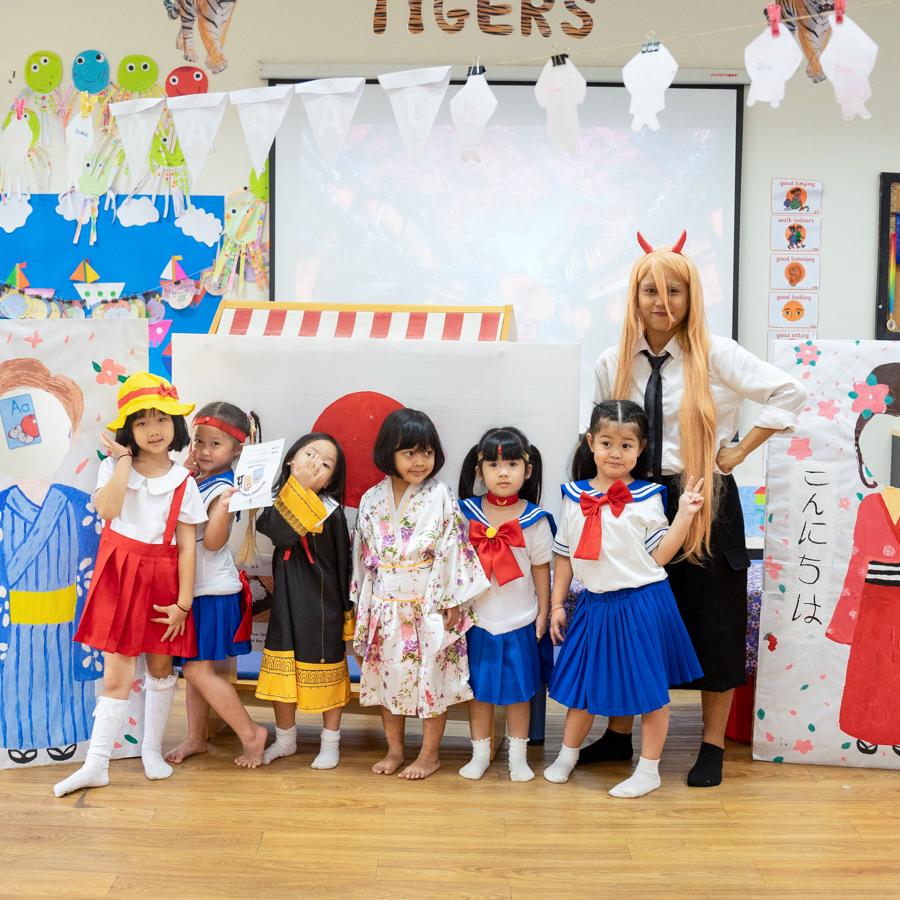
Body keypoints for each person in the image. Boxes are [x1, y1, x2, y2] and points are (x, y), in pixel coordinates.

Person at [587, 232, 806, 787]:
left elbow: (788, 392)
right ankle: (617, 736)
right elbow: (599, 432)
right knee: (632, 615)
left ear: (692, 297)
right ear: (635, 298)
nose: (662, 303)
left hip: (705, 495)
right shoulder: (613, 361)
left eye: (675, 291)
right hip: (636, 500)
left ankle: (711, 746)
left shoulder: (718, 353)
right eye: (650, 291)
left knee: (715, 619)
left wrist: (737, 452)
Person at [54, 372, 207, 797]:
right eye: (142, 422)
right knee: (116, 675)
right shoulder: (112, 468)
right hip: (119, 576)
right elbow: (107, 510)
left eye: (162, 419)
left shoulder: (183, 482)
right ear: (128, 430)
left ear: (175, 424)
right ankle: (96, 763)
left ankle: (151, 751)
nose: (153, 430)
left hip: (163, 580)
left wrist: (183, 604)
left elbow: (188, 548)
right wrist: (122, 461)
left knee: (161, 669)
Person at [543, 400, 704, 797]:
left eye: (626, 445)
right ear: (590, 443)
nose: (615, 453)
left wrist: (684, 515)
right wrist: (558, 604)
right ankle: (567, 755)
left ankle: (649, 771)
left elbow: (660, 555)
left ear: (640, 448)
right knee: (582, 687)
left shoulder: (648, 496)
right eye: (607, 443)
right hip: (594, 604)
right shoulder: (572, 496)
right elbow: (563, 555)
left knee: (650, 692)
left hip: (642, 603)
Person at [351, 408, 489, 780]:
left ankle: (429, 755)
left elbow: (455, 547)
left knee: (433, 679)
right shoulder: (371, 499)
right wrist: (362, 607)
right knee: (386, 678)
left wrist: (452, 599)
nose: (419, 461)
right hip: (384, 603)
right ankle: (395, 750)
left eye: (427, 452)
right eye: (409, 452)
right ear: (389, 452)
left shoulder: (440, 494)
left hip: (429, 601)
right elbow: (362, 557)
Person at [0, 359, 103, 765]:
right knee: (18, 678)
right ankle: (20, 737)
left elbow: (95, 561)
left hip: (67, 618)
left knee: (66, 678)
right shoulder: (3, 507)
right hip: (16, 619)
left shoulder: (80, 504)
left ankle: (68, 734)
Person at [164, 402, 268, 769]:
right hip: (193, 590)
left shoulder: (223, 488)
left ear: (237, 450)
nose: (205, 451)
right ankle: (197, 737)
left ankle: (251, 734)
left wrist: (224, 506)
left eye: (216, 444)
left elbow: (212, 542)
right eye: (199, 441)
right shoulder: (194, 479)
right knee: (195, 670)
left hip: (210, 592)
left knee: (196, 670)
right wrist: (184, 472)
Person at [457, 426, 555, 782]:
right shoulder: (464, 514)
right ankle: (479, 754)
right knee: (478, 692)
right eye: (494, 465)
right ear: (479, 471)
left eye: (512, 464)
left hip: (520, 620)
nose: (503, 473)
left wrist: (543, 613)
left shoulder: (536, 520)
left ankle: (518, 757)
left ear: (527, 471)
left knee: (519, 692)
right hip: (476, 621)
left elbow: (541, 570)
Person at [255, 432, 353, 770]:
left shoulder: (332, 512)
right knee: (282, 671)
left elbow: (343, 565)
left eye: (326, 464)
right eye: (310, 454)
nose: (315, 464)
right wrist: (297, 488)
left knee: (326, 668)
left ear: (331, 480)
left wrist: (346, 611)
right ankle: (285, 739)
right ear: (290, 460)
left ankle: (331, 742)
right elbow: (279, 532)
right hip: (285, 604)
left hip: (322, 605)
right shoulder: (272, 502)